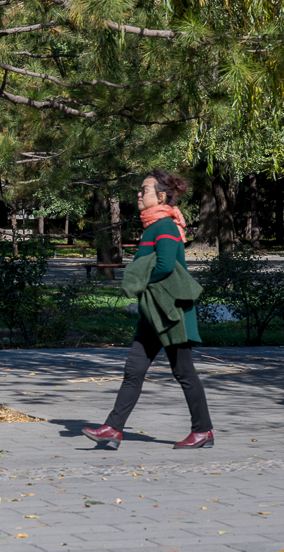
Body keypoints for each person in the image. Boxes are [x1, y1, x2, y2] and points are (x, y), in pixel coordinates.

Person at [82, 170, 213, 451]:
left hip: (170, 314)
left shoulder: (163, 226)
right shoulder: (154, 226)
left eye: (144, 190)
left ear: (161, 196)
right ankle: (113, 430)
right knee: (134, 369)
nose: (139, 195)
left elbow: (165, 266)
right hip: (153, 313)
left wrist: (137, 282)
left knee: (184, 372)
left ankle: (203, 431)